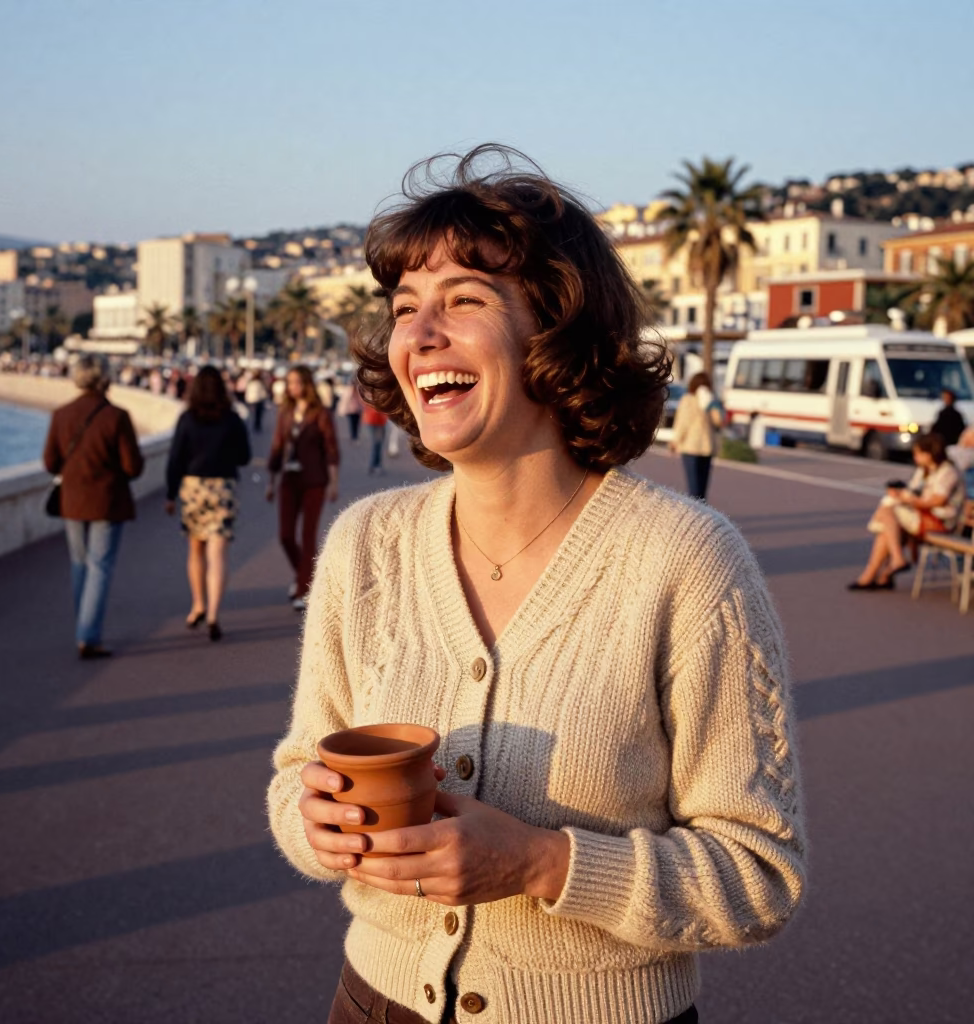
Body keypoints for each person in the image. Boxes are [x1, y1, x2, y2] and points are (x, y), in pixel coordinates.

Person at [267, 145, 806, 1024]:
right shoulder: (365, 544)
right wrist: (314, 821)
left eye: (464, 301)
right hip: (374, 1001)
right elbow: (301, 770)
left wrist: (543, 863)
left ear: (557, 331)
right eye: (405, 307)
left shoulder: (686, 560)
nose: (419, 334)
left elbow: (758, 875)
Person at [43, 354, 144, 659]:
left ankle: (84, 626)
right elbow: (132, 466)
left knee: (79, 563)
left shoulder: (62, 414)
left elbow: (50, 461)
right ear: (104, 377)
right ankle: (88, 635)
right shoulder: (116, 417)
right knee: (99, 566)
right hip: (107, 499)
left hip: (72, 500)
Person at [165, 365, 251, 640]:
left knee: (196, 550)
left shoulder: (188, 418)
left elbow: (175, 458)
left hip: (193, 488)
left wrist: (170, 493)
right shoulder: (232, 418)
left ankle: (197, 604)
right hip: (222, 488)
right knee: (218, 554)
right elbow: (245, 456)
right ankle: (213, 614)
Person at [848, 431, 964, 590]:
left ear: (930, 453)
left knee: (887, 512)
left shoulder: (947, 471)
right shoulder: (925, 470)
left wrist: (909, 500)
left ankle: (884, 568)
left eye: (918, 453)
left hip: (938, 522)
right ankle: (882, 575)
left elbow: (938, 500)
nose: (915, 457)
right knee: (888, 524)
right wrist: (901, 495)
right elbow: (914, 491)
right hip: (924, 515)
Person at [266, 364, 340, 610]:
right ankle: (305, 576)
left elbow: (331, 448)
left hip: (314, 480)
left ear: (306, 384)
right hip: (289, 479)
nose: (292, 387)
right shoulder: (285, 411)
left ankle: (302, 590)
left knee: (308, 535)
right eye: (289, 382)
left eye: (296, 382)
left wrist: (333, 482)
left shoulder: (320, 412)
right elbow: (277, 446)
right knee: (285, 536)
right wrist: (270, 480)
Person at [669, 371, 723, 501]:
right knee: (702, 487)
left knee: (694, 487)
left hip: (690, 447)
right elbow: (719, 421)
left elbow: (682, 423)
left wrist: (675, 441)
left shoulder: (687, 399)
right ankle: (702, 512)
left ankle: (697, 515)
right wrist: (713, 405)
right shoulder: (711, 399)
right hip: (707, 447)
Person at [362, 401, 388, 474]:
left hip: (377, 422)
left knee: (377, 445)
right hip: (375, 422)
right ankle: (375, 465)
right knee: (376, 444)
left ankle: (375, 465)